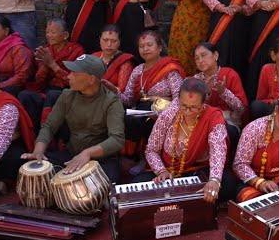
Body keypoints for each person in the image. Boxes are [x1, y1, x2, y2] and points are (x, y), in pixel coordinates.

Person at [21, 54, 125, 184]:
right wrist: (38, 151)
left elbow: (117, 139)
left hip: (102, 159)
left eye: (74, 73)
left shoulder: (112, 102)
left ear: (91, 79)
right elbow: (49, 126)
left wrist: (87, 154)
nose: (69, 76)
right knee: (36, 174)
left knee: (100, 184)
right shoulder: (67, 96)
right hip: (71, 154)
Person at [142, 77, 236, 203]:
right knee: (139, 189)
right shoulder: (168, 115)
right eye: (184, 105)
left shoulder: (213, 117)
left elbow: (217, 150)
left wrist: (214, 180)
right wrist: (161, 171)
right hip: (167, 172)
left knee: (227, 185)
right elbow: (151, 150)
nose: (187, 111)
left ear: (203, 105)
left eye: (193, 107)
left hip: (197, 171)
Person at [118, 31, 185, 161]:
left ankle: (147, 159)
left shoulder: (169, 68)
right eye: (141, 46)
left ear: (159, 48)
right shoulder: (137, 70)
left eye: (149, 45)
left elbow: (180, 98)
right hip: (141, 112)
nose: (145, 49)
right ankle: (132, 157)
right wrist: (113, 91)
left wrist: (162, 114)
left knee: (136, 119)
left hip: (166, 112)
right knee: (124, 115)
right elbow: (128, 99)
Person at [18, 18, 84, 130]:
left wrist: (52, 64)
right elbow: (39, 81)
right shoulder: (45, 50)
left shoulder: (77, 50)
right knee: (25, 95)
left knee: (53, 94)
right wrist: (44, 64)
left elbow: (73, 81)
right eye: (47, 32)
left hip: (67, 92)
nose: (49, 35)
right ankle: (31, 133)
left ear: (65, 35)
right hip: (45, 90)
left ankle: (47, 132)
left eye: (53, 32)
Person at [203, 0, 256, 81]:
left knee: (236, 56)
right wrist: (220, 7)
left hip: (239, 25)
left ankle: (233, 89)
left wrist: (241, 8)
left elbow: (253, 6)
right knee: (216, 52)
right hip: (218, 20)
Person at [192, 42, 247, 151]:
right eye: (197, 58)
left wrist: (223, 92)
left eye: (203, 55)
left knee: (227, 131)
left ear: (215, 55)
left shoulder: (230, 74)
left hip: (228, 121)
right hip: (203, 122)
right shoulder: (195, 80)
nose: (200, 60)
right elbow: (191, 108)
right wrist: (206, 94)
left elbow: (240, 108)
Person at [165, 0, 216, 75]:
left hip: (198, 22)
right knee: (176, 49)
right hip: (180, 20)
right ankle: (174, 79)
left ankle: (193, 84)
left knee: (194, 51)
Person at [93, 25, 135, 93]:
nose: (109, 44)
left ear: (119, 42)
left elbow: (122, 91)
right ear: (100, 39)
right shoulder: (93, 57)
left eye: (114, 41)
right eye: (105, 40)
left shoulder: (124, 60)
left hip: (111, 99)